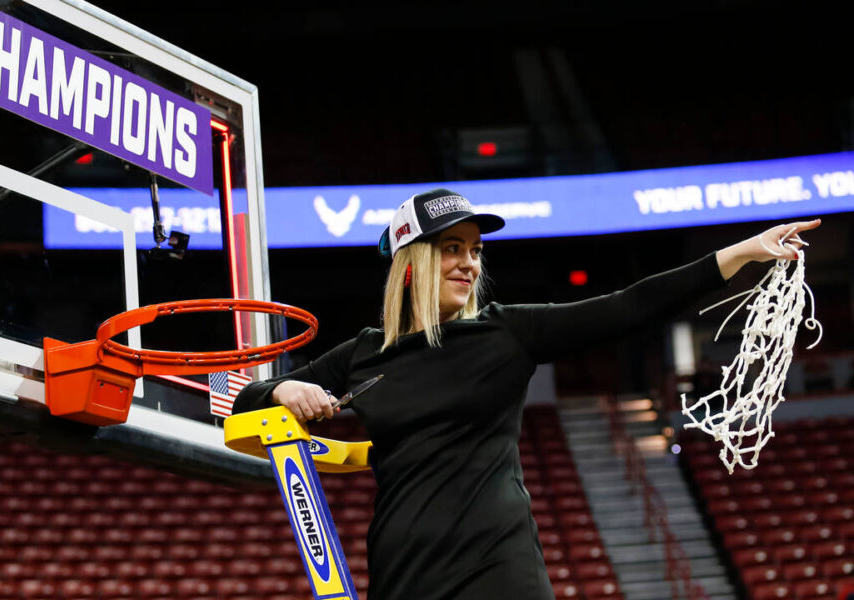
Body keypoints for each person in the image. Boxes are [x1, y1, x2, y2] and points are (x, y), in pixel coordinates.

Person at [232, 188, 820, 599]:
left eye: (474, 251)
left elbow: (629, 306)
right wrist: (287, 387)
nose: (468, 263)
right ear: (411, 262)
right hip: (404, 567)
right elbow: (241, 402)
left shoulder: (506, 333)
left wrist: (741, 252)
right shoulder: (363, 353)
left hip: (498, 565)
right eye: (451, 248)